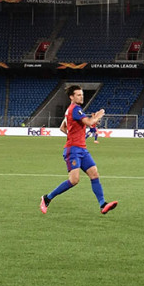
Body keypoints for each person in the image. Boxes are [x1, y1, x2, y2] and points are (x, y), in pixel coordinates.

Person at [40, 84, 118, 215]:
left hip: (82, 149)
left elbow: (62, 128)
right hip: (73, 150)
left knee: (94, 174)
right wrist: (99, 115)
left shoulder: (73, 110)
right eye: (78, 95)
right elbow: (88, 122)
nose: (81, 97)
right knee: (74, 180)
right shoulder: (75, 109)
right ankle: (47, 198)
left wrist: (78, 135)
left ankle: (103, 204)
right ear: (71, 97)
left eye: (82, 94)